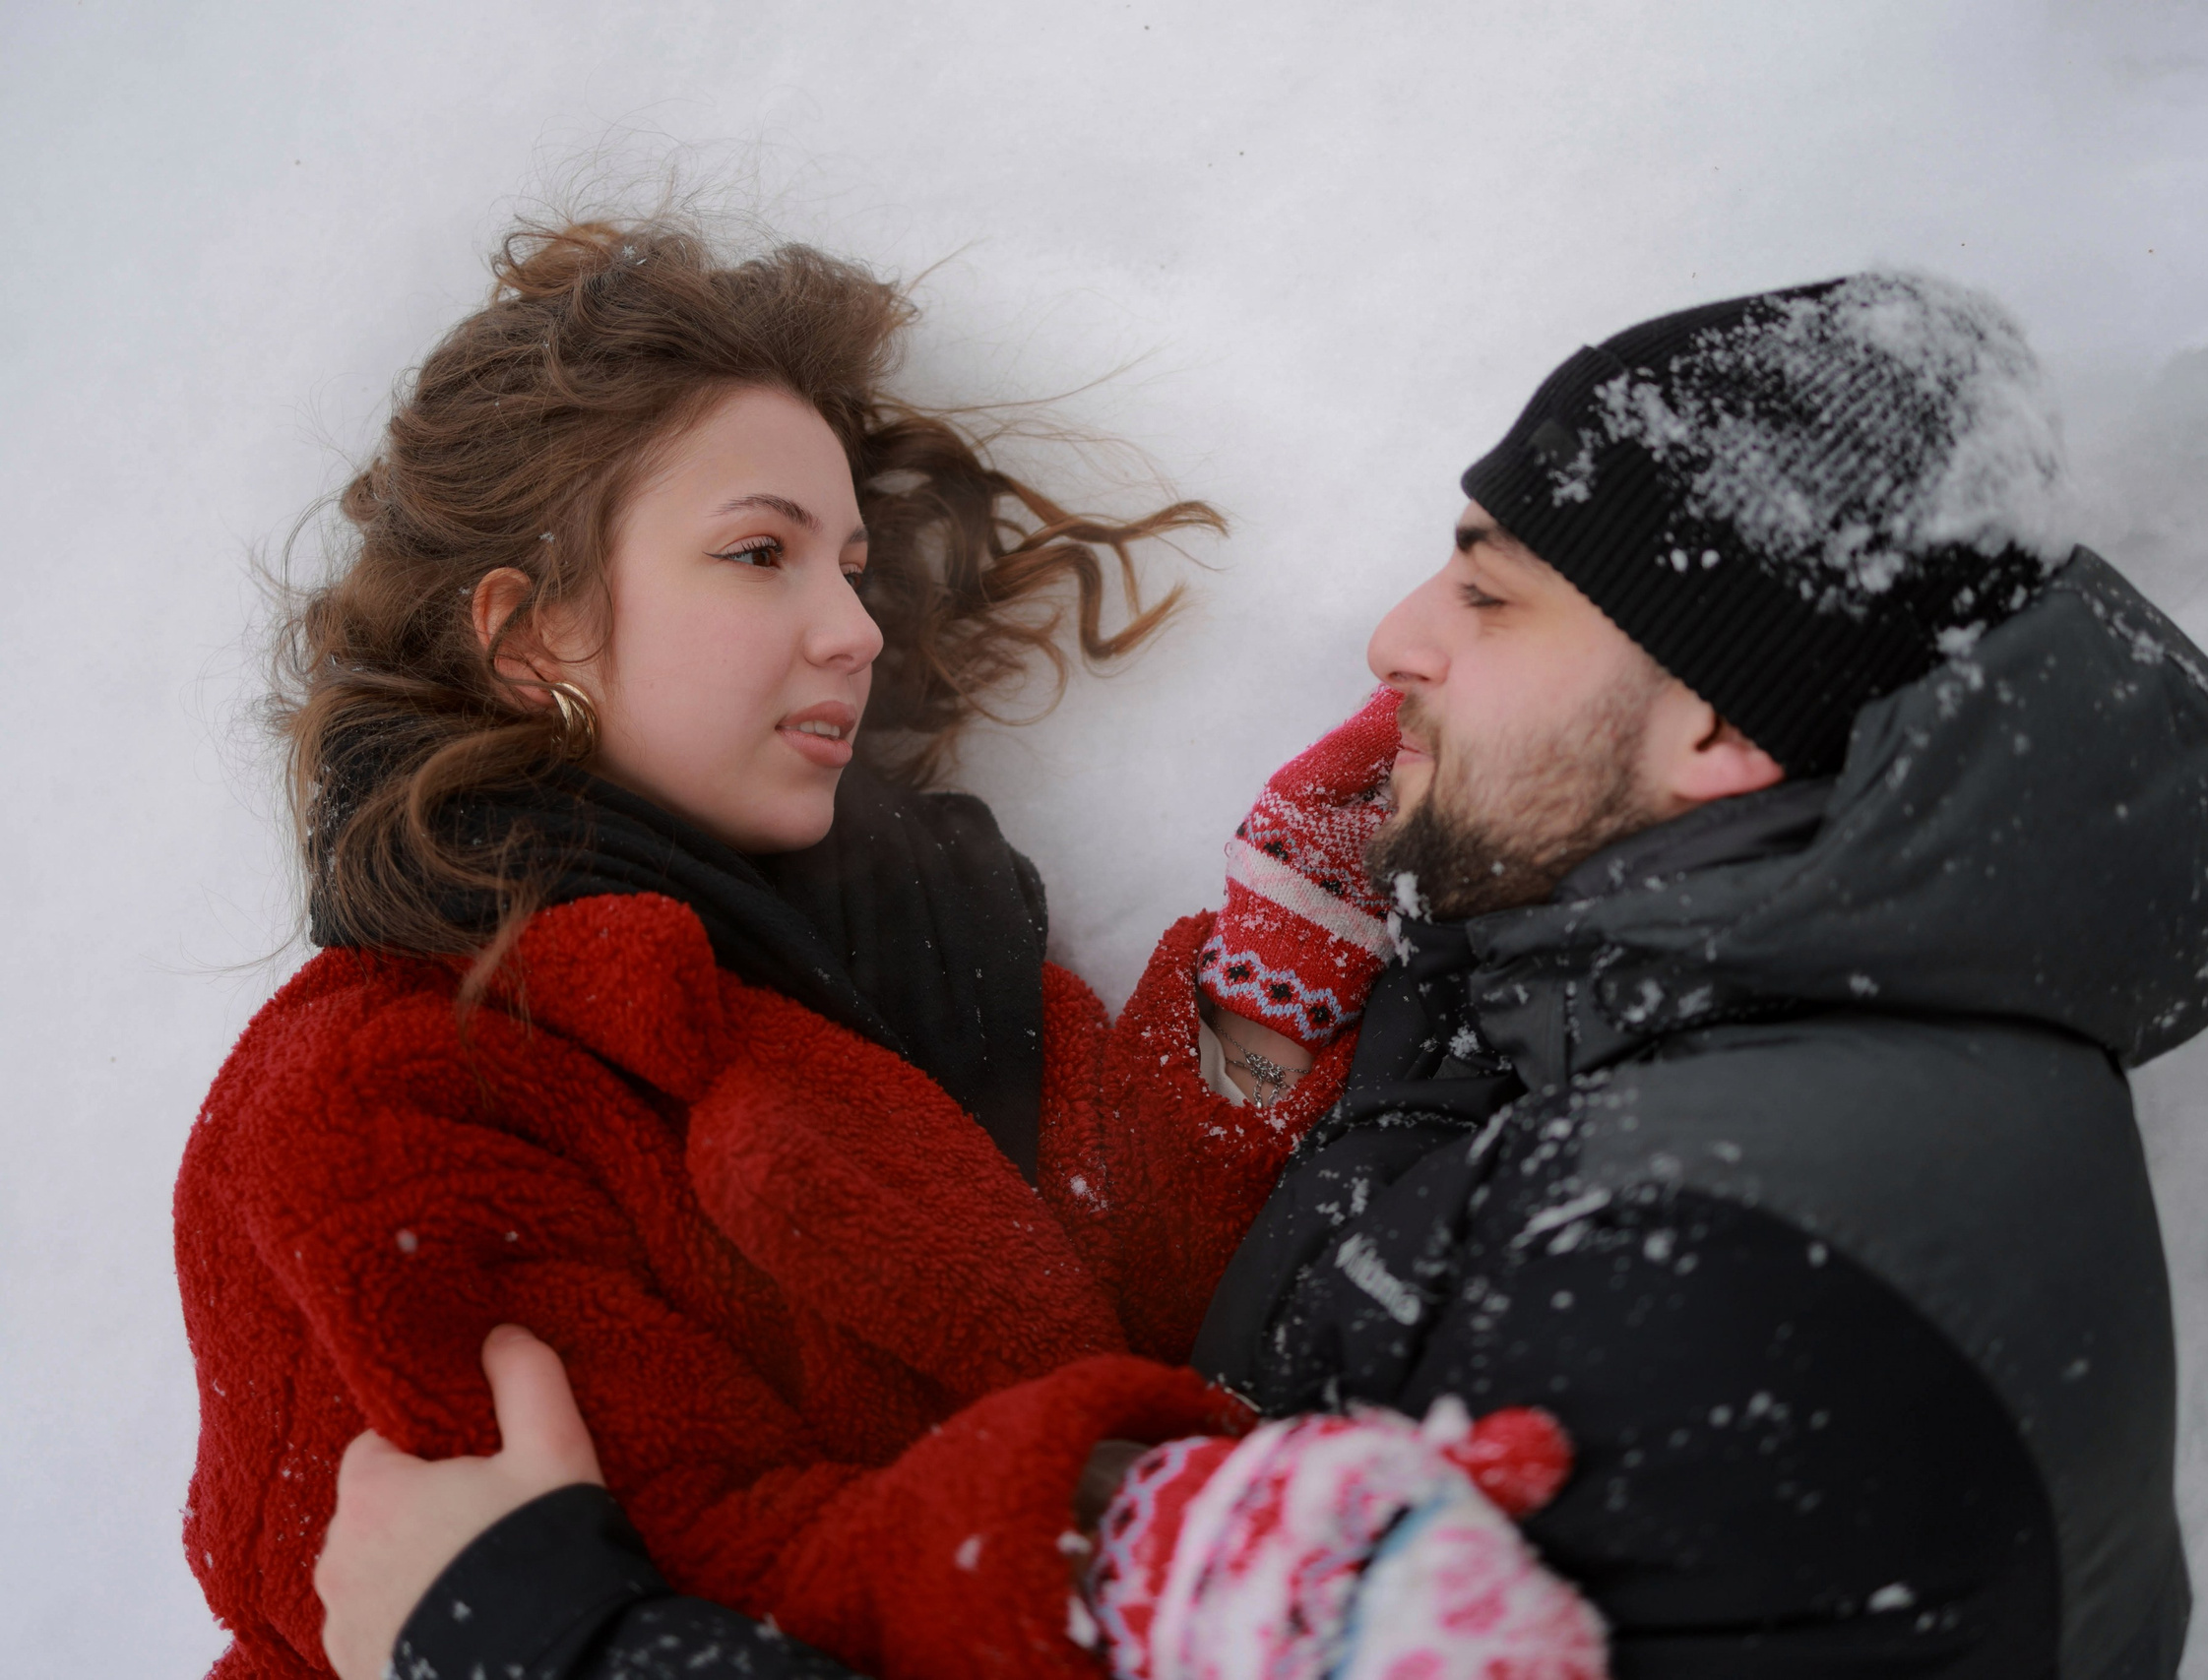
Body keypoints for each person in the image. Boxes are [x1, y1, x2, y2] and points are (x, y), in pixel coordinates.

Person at [313, 272, 2208, 1679]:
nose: (1392, 631)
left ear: (1711, 736)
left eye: (1491, 593)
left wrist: (537, 1637)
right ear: (533, 631)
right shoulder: (1742, 1034)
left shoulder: (1713, 1271)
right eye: (766, 556)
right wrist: (1305, 999)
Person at [174, 212, 1422, 1680]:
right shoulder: (385, 1093)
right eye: (760, 553)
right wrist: (1159, 1543)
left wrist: (1274, 978)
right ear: (533, 638)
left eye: (851, 564)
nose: (853, 628)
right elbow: (667, 1593)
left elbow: (1102, 1293)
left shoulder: (912, 958)